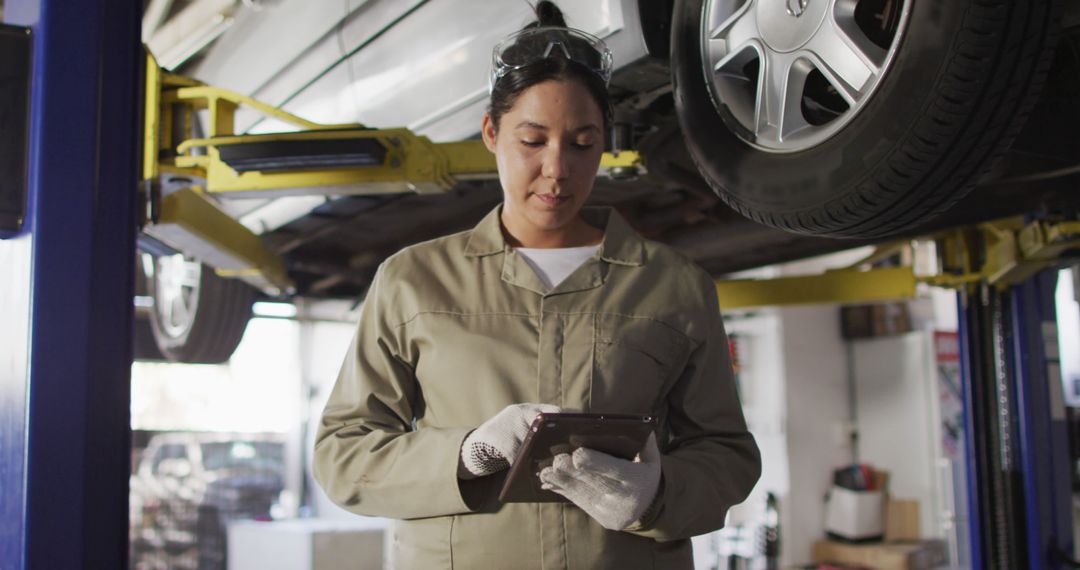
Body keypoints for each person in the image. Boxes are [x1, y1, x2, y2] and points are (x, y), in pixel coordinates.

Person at [313, 3, 761, 568]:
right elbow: (342, 454)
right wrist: (466, 454)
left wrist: (656, 494)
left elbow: (728, 454)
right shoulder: (412, 283)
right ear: (491, 133)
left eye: (581, 143)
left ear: (603, 143)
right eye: (532, 140)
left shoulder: (674, 286)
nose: (557, 169)